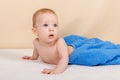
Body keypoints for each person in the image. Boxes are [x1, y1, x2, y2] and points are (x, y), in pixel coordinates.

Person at [22, 8, 120, 74]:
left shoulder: (59, 42)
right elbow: (37, 50)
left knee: (97, 55)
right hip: (70, 48)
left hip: (75, 54)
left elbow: (64, 59)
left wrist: (57, 70)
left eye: (55, 25)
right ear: (35, 31)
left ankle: (116, 50)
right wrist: (33, 57)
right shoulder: (36, 42)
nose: (51, 29)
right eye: (45, 25)